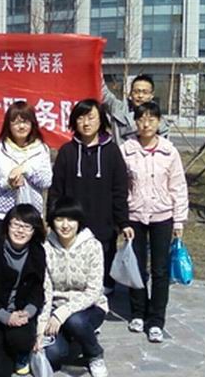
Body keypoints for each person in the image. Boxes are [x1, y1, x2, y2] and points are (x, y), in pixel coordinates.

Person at [119, 102, 188, 343]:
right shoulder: (126, 150)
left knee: (160, 270)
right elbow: (120, 187)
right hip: (135, 216)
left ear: (159, 122)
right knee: (136, 267)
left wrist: (179, 220)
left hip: (162, 216)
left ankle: (156, 319)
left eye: (151, 119)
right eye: (141, 119)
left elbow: (178, 187)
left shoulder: (169, 151)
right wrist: (122, 219)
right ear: (135, 122)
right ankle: (138, 312)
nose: (146, 124)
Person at [48, 99, 130, 295]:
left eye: (91, 117)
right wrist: (51, 219)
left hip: (104, 223)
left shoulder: (112, 151)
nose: (86, 123)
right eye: (81, 118)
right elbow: (56, 190)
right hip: (73, 224)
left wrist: (123, 222)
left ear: (101, 120)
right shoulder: (67, 151)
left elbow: (120, 190)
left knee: (102, 279)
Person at [34, 197, 109, 377]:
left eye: (71, 219)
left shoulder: (93, 246)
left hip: (90, 308)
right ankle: (79, 337)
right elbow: (46, 291)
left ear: (79, 221)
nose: (65, 225)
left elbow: (93, 291)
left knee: (75, 321)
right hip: (56, 309)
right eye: (59, 219)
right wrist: (41, 328)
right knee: (52, 355)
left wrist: (62, 313)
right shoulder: (46, 248)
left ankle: (94, 354)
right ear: (52, 221)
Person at [0, 204, 47, 377]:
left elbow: (37, 290)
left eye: (27, 227)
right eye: (16, 225)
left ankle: (20, 352)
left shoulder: (37, 253)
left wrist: (28, 312)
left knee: (22, 340)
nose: (20, 231)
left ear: (34, 231)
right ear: (7, 225)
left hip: (20, 313)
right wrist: (5, 317)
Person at [0, 101, 52, 241]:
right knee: (2, 253)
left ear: (32, 124)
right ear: (8, 125)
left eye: (25, 122)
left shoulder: (41, 149)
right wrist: (8, 183)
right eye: (16, 122)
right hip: (4, 216)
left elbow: (46, 181)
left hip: (32, 216)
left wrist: (26, 171)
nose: (21, 126)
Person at [102, 74, 169, 144]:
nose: (140, 96)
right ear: (130, 93)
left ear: (152, 95)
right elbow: (103, 92)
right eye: (136, 92)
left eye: (145, 92)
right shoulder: (118, 109)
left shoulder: (160, 122)